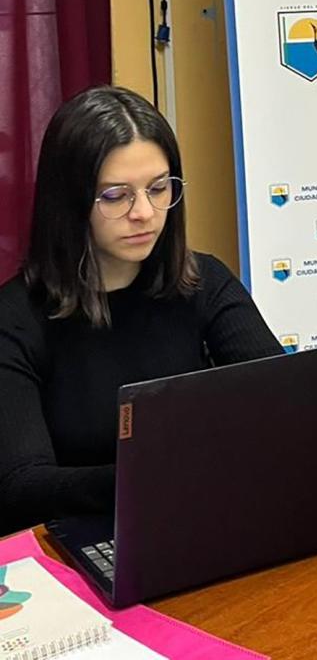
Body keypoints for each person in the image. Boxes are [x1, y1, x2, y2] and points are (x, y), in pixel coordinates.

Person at [0, 86, 283, 535]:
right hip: (78, 545)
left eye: (158, 188)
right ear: (69, 202)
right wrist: (149, 479)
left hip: (197, 525)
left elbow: (285, 405)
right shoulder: (15, 319)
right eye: (116, 196)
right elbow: (21, 486)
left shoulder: (204, 281)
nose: (145, 213)